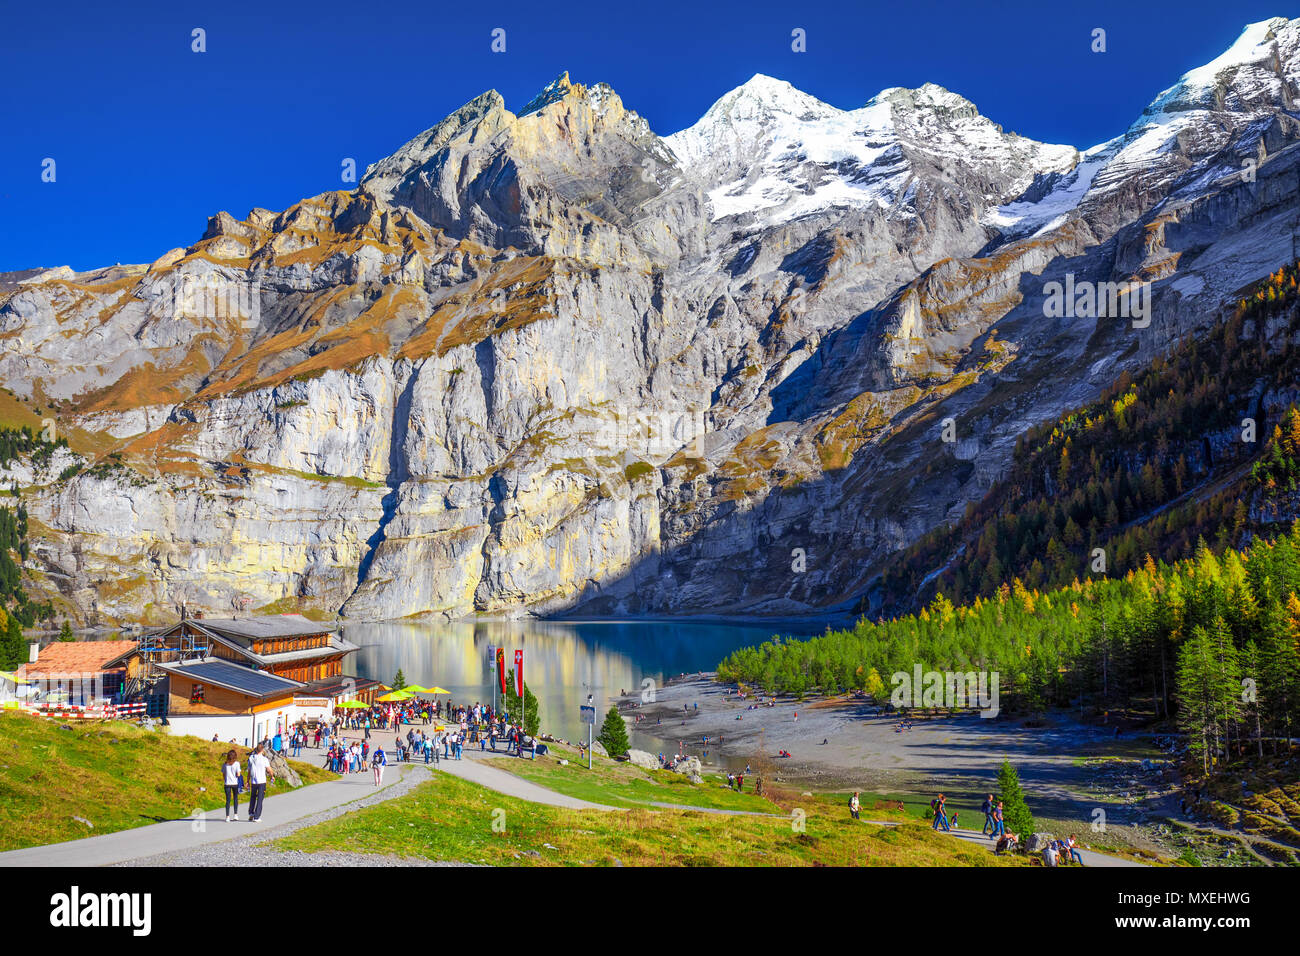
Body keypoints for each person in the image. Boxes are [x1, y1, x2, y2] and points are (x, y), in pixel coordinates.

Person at [247, 744, 273, 823]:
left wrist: (247, 781)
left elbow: (249, 771)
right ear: (262, 750)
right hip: (261, 781)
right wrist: (272, 775)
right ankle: (256, 816)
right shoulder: (264, 759)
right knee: (260, 799)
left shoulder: (251, 758)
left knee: (253, 797)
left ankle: (251, 813)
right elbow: (269, 770)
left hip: (253, 781)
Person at [222, 749, 242, 822]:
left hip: (227, 783)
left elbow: (223, 774)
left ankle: (227, 816)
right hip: (235, 783)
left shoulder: (225, 764)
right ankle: (235, 815)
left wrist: (226, 779)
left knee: (228, 800)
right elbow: (238, 774)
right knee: (235, 798)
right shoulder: (237, 764)